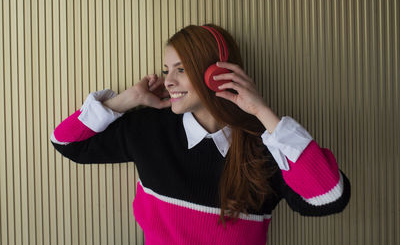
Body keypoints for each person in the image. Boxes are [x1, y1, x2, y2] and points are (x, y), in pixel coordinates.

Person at [50, 24, 350, 245]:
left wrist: (262, 112)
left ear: (217, 75)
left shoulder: (267, 146)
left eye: (181, 69)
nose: (169, 81)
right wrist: (126, 101)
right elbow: (67, 143)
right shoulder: (149, 128)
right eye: (166, 69)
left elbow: (329, 198)